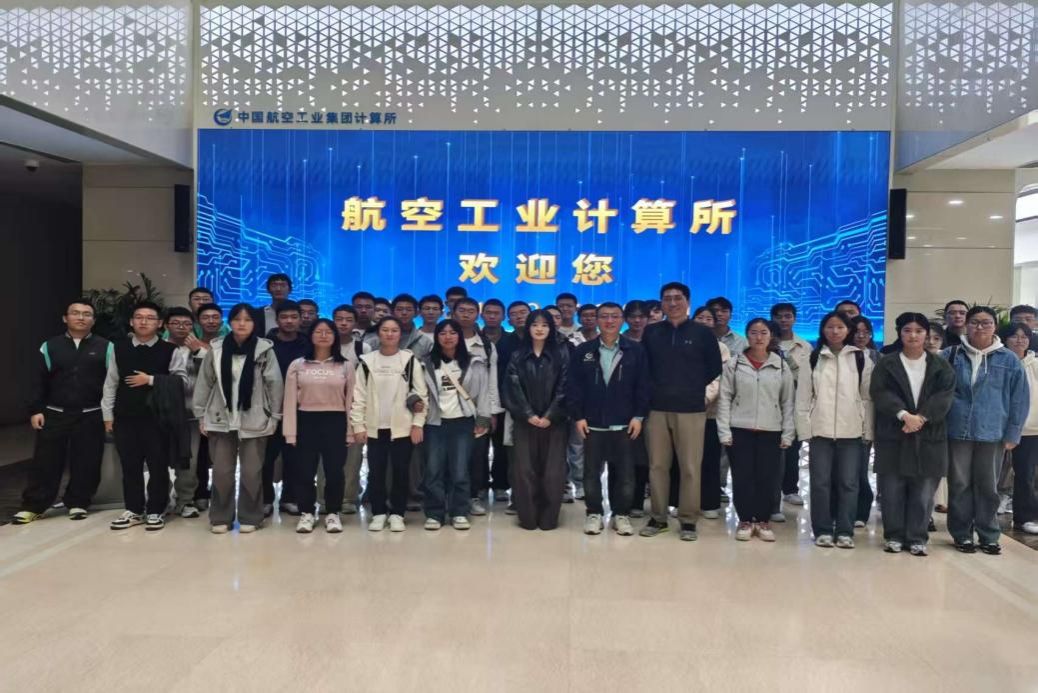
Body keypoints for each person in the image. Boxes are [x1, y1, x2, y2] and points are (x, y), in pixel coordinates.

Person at [13, 300, 113, 524]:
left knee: (87, 460)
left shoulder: (106, 347)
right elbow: (38, 380)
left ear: (93, 320)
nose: (81, 317)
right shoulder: (50, 346)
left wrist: (109, 414)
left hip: (91, 414)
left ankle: (78, 502)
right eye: (75, 313)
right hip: (54, 413)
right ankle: (34, 505)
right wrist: (36, 409)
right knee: (46, 461)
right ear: (65, 318)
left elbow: (112, 383)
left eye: (87, 314)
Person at [640, 282, 723, 541]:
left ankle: (688, 520)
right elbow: (644, 367)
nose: (672, 303)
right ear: (661, 303)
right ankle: (658, 517)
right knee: (657, 466)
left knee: (689, 467)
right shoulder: (652, 332)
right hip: (656, 409)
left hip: (691, 409)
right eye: (667, 298)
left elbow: (714, 367)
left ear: (687, 301)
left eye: (678, 298)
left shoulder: (702, 333)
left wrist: (690, 387)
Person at [942, 308, 1029, 554]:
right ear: (966, 325)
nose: (980, 327)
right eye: (975, 322)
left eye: (986, 323)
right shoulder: (951, 355)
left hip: (993, 432)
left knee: (988, 486)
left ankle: (988, 534)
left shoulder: (1008, 359)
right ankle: (961, 534)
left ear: (995, 326)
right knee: (959, 484)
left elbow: (1019, 399)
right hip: (957, 430)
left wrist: (1013, 433)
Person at [871, 313, 956, 556]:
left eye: (919, 331)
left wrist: (921, 417)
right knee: (892, 490)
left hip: (929, 434)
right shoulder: (886, 363)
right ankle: (894, 536)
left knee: (923, 492)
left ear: (926, 334)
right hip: (894, 432)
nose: (913, 335)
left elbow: (944, 396)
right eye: (907, 330)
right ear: (900, 333)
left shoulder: (940, 365)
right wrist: (903, 415)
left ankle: (917, 537)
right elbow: (880, 392)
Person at [194, 304, 283, 534]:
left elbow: (274, 384)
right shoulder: (216, 349)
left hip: (255, 418)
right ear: (230, 322)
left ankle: (251, 517)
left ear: (255, 323)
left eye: (247, 319)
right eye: (237, 319)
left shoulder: (264, 349)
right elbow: (205, 382)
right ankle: (220, 517)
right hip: (220, 417)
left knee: (252, 472)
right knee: (221, 472)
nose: (242, 324)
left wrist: (275, 416)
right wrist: (200, 414)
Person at [103, 301, 189, 531]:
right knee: (130, 466)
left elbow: (182, 382)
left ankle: (155, 510)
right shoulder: (118, 348)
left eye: (150, 318)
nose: (144, 321)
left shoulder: (170, 350)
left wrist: (151, 380)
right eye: (139, 317)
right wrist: (107, 415)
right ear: (131, 322)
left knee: (158, 465)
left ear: (160, 324)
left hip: (158, 418)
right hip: (125, 416)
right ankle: (133, 509)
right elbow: (111, 382)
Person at [568, 302, 650, 536]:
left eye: (615, 316)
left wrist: (639, 416)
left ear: (622, 320)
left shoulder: (635, 350)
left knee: (625, 473)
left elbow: (643, 386)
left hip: (625, 422)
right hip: (592, 422)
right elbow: (574, 386)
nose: (609, 321)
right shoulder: (584, 351)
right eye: (604, 316)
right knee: (591, 472)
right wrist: (578, 416)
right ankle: (594, 513)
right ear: (597, 320)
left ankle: (621, 514)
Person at [796, 311, 874, 549]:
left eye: (840, 327)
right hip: (820, 431)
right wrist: (805, 430)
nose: (835, 331)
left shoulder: (861, 358)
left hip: (851, 431)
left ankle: (845, 530)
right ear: (823, 330)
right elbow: (803, 398)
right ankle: (822, 530)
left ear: (848, 330)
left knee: (849, 483)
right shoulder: (813, 358)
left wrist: (867, 430)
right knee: (820, 483)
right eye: (830, 327)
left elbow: (867, 398)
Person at [716, 318, 795, 542]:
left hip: (771, 429)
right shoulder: (734, 364)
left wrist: (788, 432)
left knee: (767, 478)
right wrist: (724, 431)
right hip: (740, 428)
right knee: (742, 477)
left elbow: (787, 402)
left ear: (771, 336)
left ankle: (762, 520)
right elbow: (725, 398)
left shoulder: (781, 366)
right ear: (747, 335)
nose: (758, 337)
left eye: (763, 332)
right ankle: (745, 520)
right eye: (753, 332)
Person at [351, 316, 428, 532]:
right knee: (376, 472)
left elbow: (421, 394)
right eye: (385, 330)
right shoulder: (367, 361)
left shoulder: (409, 360)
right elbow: (359, 396)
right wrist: (358, 425)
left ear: (400, 334)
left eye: (394, 330)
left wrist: (418, 424)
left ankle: (397, 514)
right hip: (375, 427)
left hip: (402, 427)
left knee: (401, 472)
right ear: (378, 333)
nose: (390, 334)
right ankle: (378, 513)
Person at [283, 319, 354, 534]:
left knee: (334, 472)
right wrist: (290, 432)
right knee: (304, 471)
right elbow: (289, 401)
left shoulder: (346, 365)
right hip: (306, 421)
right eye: (318, 331)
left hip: (336, 421)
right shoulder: (298, 365)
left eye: (328, 332)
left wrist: (351, 430)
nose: (323, 335)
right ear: (311, 335)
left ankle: (333, 513)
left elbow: (351, 400)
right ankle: (306, 512)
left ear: (335, 337)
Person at [420, 320, 492, 531]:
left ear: (459, 336)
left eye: (453, 333)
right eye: (443, 333)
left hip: (463, 422)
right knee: (433, 470)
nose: (448, 337)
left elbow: (484, 392)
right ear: (436, 337)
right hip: (434, 423)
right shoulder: (425, 362)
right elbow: (416, 389)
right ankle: (434, 513)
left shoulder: (474, 362)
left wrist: (483, 418)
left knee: (460, 470)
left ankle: (459, 512)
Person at [503, 309, 570, 530]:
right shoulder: (517, 356)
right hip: (525, 423)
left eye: (544, 325)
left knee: (553, 473)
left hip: (555, 423)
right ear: (528, 328)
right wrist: (528, 415)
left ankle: (549, 518)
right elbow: (512, 388)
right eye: (535, 325)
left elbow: (565, 388)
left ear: (551, 329)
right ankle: (528, 517)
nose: (539, 329)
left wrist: (551, 415)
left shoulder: (561, 355)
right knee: (524, 471)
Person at [452, 297, 502, 515]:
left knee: (476, 455)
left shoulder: (486, 346)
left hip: (477, 409)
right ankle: (449, 496)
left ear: (477, 314)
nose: (466, 314)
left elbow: (492, 381)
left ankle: (472, 496)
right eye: (461, 310)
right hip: (447, 409)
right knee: (449, 455)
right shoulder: (444, 339)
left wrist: (492, 412)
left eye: (470, 311)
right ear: (453, 313)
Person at [262, 300, 309, 516]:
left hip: (299, 409)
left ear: (300, 319)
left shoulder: (308, 344)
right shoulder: (265, 344)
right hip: (268, 409)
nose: (289, 321)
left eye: (293, 317)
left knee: (296, 457)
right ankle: (265, 499)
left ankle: (290, 498)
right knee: (266, 457)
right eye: (284, 317)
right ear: (277, 319)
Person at [164, 306, 207, 519]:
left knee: (189, 462)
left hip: (191, 413)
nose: (181, 327)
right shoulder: (159, 348)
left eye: (187, 324)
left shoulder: (200, 348)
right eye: (176, 323)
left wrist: (199, 351)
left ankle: (185, 500)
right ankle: (161, 499)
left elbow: (213, 374)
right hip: (162, 413)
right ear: (166, 325)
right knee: (159, 459)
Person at [331, 304, 372, 513]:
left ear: (355, 323)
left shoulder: (363, 348)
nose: (343, 323)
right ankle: (325, 499)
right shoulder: (323, 344)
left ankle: (348, 498)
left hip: (355, 408)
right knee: (327, 457)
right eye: (339, 319)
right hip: (328, 407)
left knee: (353, 457)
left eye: (348, 320)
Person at [771, 302, 811, 510]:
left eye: (787, 316)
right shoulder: (765, 341)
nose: (783, 320)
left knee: (793, 450)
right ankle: (769, 490)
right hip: (770, 404)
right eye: (779, 316)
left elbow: (808, 377)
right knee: (770, 450)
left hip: (794, 404)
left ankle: (790, 490)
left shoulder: (804, 346)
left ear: (794, 318)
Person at [692, 306, 730, 519]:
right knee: (685, 460)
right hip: (684, 411)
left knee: (709, 459)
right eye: (700, 318)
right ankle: (683, 501)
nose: (704, 322)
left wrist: (702, 399)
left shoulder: (721, 348)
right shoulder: (684, 343)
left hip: (709, 413)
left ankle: (709, 502)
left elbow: (718, 377)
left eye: (709, 318)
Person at [1001, 322, 1038, 535]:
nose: (1019, 340)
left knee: (1026, 474)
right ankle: (984, 514)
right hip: (998, 427)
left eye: (1024, 336)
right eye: (1014, 336)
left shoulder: (1035, 364)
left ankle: (1025, 517)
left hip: (1030, 429)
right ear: (1005, 339)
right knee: (991, 474)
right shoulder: (999, 361)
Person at [494, 300, 530, 511]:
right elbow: (499, 376)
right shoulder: (505, 343)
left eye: (523, 312)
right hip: (511, 406)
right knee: (511, 451)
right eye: (514, 314)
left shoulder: (543, 340)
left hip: (541, 406)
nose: (519, 316)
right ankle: (513, 493)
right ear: (509, 319)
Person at [192, 303, 225, 509]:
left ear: (221, 321)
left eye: (215, 317)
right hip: (194, 404)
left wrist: (200, 350)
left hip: (221, 407)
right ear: (198, 320)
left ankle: (220, 493)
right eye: (206, 317)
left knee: (220, 455)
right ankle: (199, 492)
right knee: (199, 453)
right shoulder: (188, 341)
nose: (211, 321)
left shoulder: (226, 343)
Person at [849, 314, 880, 527]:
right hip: (842, 418)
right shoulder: (840, 356)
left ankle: (861, 510)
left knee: (859, 468)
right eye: (856, 332)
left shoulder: (879, 358)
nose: (861, 336)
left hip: (867, 419)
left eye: (865, 332)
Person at [365, 293, 433, 359]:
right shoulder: (375, 339)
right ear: (392, 312)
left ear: (416, 313)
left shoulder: (425, 341)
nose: (404, 313)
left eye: (409, 310)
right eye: (399, 309)